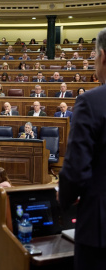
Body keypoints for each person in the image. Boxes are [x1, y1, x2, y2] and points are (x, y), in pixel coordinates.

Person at [59, 29, 106, 270]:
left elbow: (76, 170)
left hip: (99, 232)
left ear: (103, 56)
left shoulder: (91, 101)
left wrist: (61, 201)